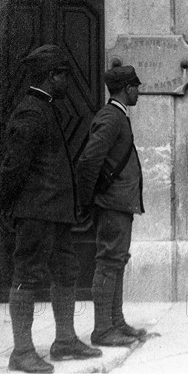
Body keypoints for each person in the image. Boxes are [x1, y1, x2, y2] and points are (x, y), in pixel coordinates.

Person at [0, 45, 102, 373]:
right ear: (51, 76)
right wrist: (8, 206)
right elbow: (14, 167)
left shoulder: (46, 107)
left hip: (55, 213)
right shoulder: (31, 111)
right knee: (27, 275)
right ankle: (22, 351)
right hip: (37, 212)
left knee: (66, 272)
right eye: (64, 74)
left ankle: (65, 340)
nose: (68, 80)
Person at [77, 65, 147, 346]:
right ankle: (103, 330)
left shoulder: (118, 115)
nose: (139, 91)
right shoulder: (111, 117)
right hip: (112, 205)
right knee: (108, 263)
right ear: (127, 88)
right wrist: (87, 200)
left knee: (116, 262)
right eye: (136, 87)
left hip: (119, 204)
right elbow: (89, 160)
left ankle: (115, 322)